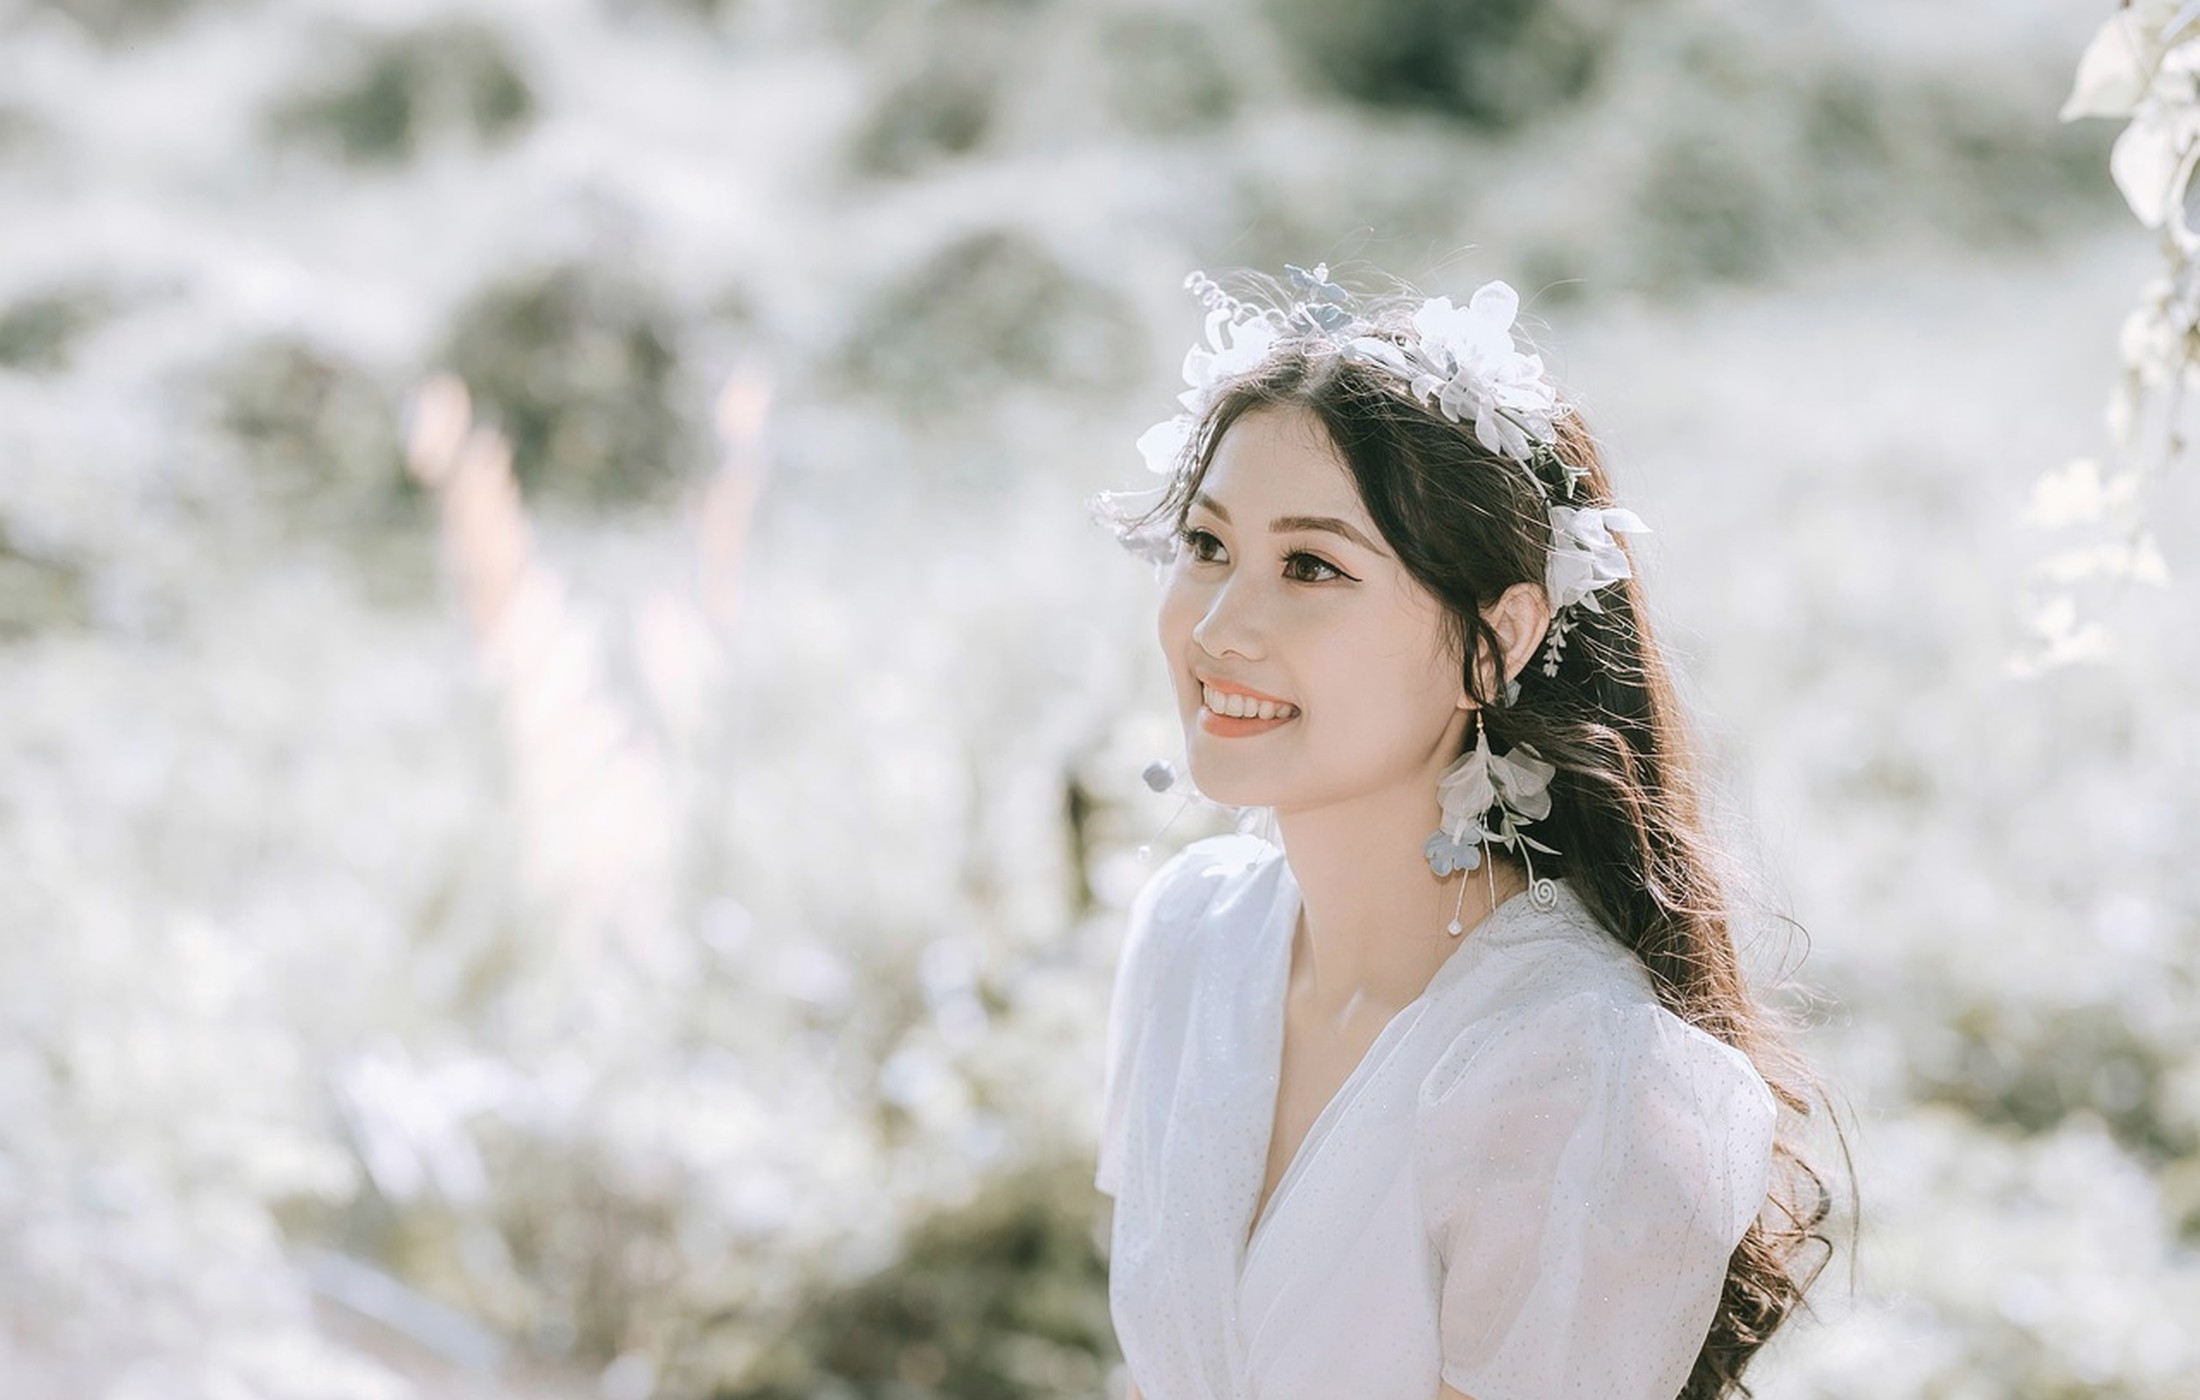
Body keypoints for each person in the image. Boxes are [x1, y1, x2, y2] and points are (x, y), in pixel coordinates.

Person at [1087, 265, 1838, 1400]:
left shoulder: (1572, 1072)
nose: (1220, 624)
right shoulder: (1193, 937)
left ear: (1497, 638)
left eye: (1310, 565)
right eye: (1206, 545)